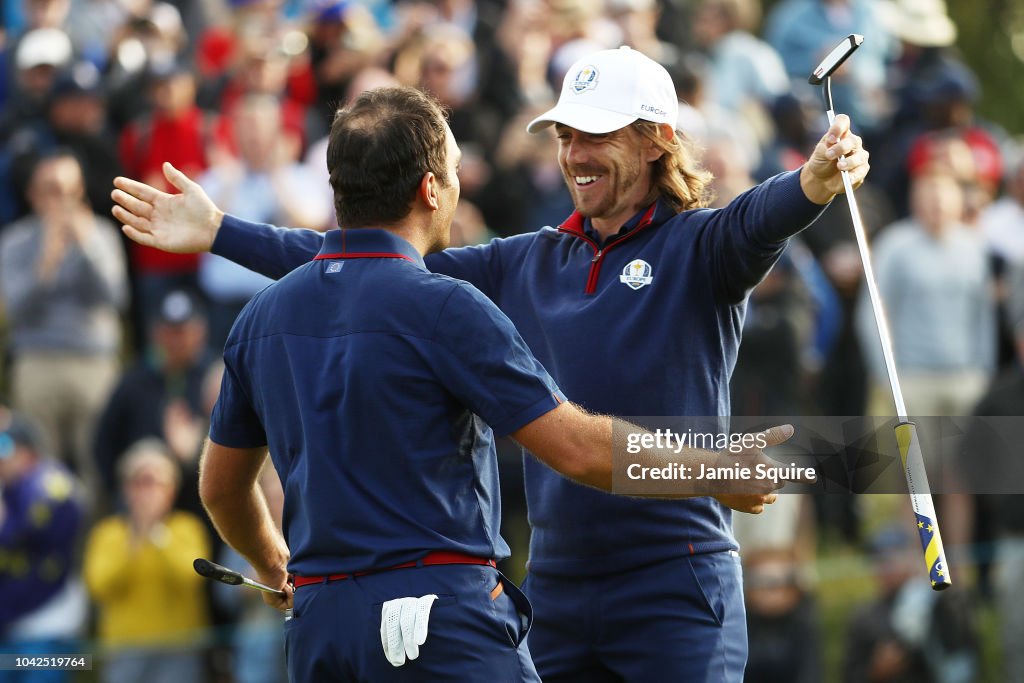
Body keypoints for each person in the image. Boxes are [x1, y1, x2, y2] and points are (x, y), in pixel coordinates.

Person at [111, 47, 867, 681]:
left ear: (657, 139)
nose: (574, 153)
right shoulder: (526, 261)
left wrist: (816, 181)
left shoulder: (701, 247)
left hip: (676, 581)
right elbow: (363, 259)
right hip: (560, 592)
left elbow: (763, 215)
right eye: (565, 135)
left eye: (596, 135)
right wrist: (221, 231)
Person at [83, 438, 212, 683]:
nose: (147, 492)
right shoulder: (108, 533)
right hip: (124, 650)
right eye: (139, 482)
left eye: (154, 483)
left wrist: (156, 533)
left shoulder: (187, 529)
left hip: (179, 649)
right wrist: (134, 539)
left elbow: (190, 578)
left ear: (171, 489)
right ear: (126, 489)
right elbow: (100, 585)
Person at [0, 408, 87, 683]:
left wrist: (5, 527)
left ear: (28, 452)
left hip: (48, 624)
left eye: (5, 448)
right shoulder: (9, 489)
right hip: (11, 626)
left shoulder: (50, 481)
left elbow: (27, 530)